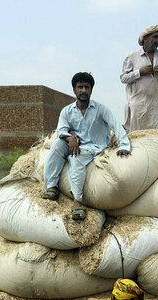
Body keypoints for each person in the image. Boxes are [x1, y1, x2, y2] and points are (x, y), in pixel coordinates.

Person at [41, 72, 131, 220]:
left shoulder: (101, 109)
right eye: (80, 87)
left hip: (93, 147)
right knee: (56, 146)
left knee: (76, 158)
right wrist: (70, 138)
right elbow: (61, 130)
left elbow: (116, 126)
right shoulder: (67, 111)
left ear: (91, 90)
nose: (83, 90)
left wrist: (124, 146)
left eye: (86, 87)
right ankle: (51, 187)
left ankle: (78, 202)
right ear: (74, 90)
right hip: (72, 143)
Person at [120, 25, 158, 132]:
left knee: (156, 135)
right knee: (137, 135)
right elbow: (123, 78)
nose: (157, 40)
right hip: (138, 105)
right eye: (154, 37)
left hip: (157, 104)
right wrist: (139, 72)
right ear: (145, 38)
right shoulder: (132, 57)